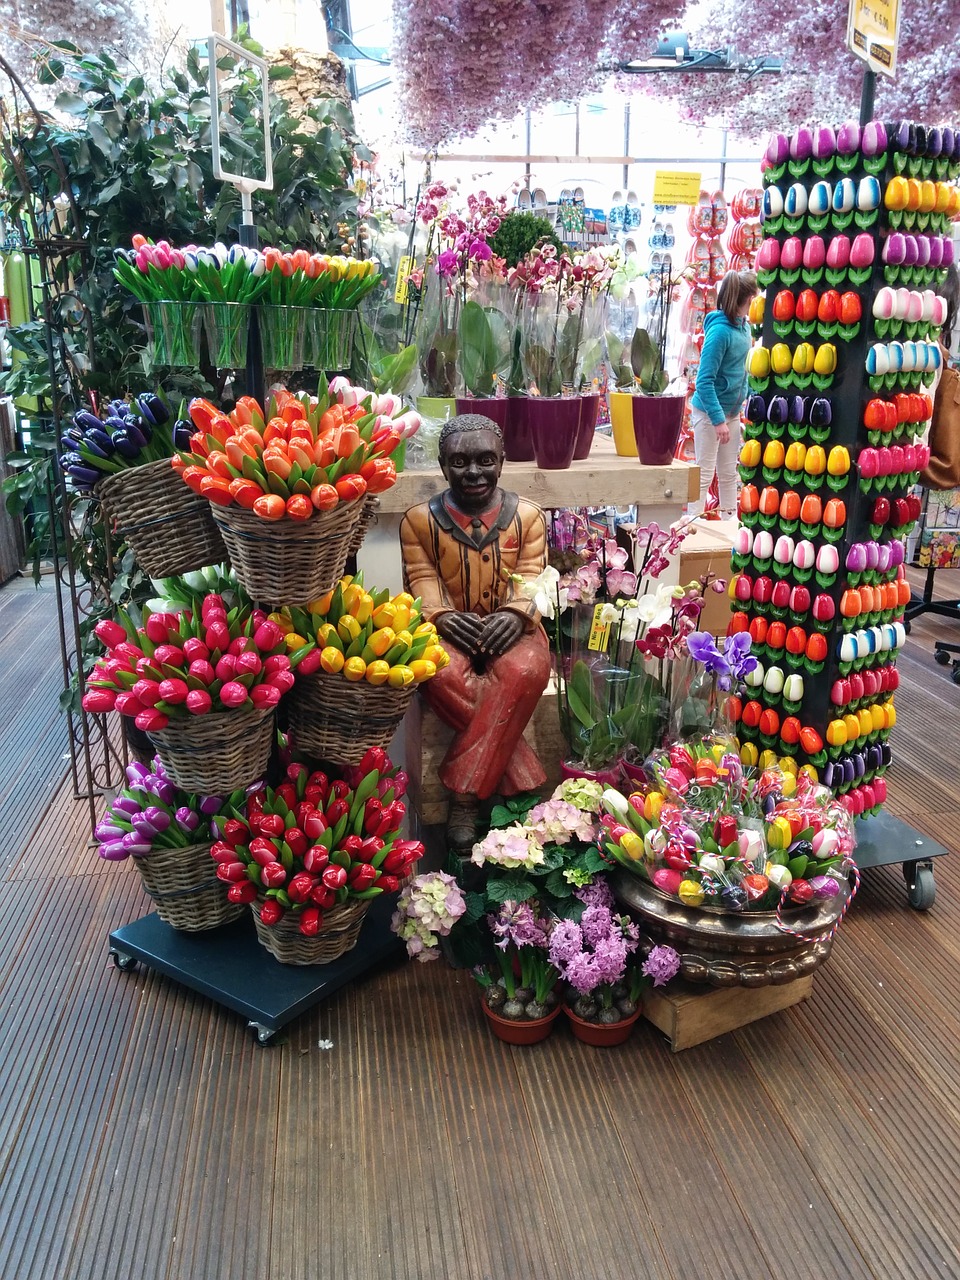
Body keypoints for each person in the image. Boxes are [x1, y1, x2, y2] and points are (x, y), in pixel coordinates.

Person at [400, 414, 551, 848]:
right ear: (444, 467)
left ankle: (464, 797)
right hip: (448, 632)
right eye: (459, 462)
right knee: (437, 671)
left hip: (516, 632)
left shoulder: (528, 517)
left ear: (502, 462)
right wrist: (442, 618)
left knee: (524, 671)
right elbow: (422, 580)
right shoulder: (418, 521)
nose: (473, 473)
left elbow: (530, 576)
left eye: (485, 460)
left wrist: (516, 614)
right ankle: (519, 778)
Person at [689, 268, 759, 519]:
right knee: (705, 473)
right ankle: (690, 529)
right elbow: (703, 381)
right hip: (710, 413)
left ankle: (729, 527)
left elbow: (741, 370)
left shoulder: (744, 328)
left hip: (729, 412)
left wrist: (749, 396)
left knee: (729, 473)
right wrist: (718, 420)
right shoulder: (720, 333)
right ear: (750, 299)